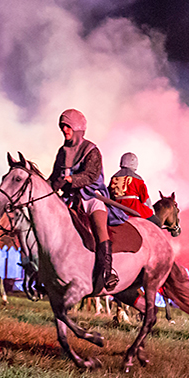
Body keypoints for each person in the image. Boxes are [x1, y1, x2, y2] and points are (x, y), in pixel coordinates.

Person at [49, 108, 128, 294]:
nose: (64, 130)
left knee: (100, 229)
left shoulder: (91, 150)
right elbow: (54, 176)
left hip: (92, 197)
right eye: (63, 127)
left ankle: (108, 273)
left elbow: (91, 175)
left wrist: (71, 180)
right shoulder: (62, 151)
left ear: (77, 128)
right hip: (70, 198)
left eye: (68, 127)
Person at [108, 152, 155, 220]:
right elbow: (144, 198)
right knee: (155, 220)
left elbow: (109, 194)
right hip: (133, 207)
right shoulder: (137, 178)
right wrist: (151, 209)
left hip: (116, 208)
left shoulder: (114, 177)